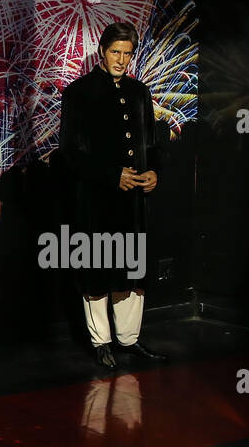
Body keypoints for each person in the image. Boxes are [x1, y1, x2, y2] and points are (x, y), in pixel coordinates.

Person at [59, 21, 168, 368]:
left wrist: (155, 172)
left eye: (127, 53)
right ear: (103, 52)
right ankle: (101, 342)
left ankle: (129, 339)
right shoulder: (78, 93)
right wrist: (111, 175)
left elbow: (151, 143)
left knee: (131, 273)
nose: (121, 59)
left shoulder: (140, 93)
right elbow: (70, 152)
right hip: (95, 202)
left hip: (134, 202)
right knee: (97, 270)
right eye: (115, 52)